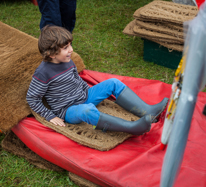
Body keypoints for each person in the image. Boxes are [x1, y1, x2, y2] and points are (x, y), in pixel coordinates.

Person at [26, 25, 168, 135]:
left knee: (113, 82)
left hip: (85, 96)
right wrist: (50, 116)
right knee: (86, 110)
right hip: (68, 110)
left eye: (70, 45)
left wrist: (91, 92)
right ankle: (131, 127)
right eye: (65, 47)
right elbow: (32, 98)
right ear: (51, 54)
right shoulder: (42, 73)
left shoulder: (67, 60)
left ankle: (148, 112)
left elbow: (76, 79)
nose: (71, 50)